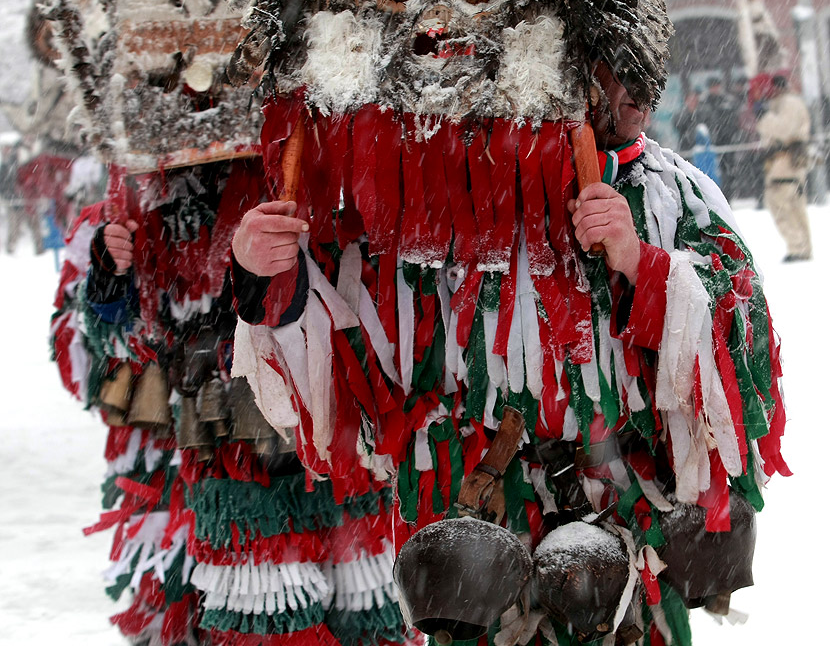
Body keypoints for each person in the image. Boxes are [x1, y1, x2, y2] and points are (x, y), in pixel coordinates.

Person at [229, 60, 789, 646]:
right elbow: (352, 349)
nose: (637, 92)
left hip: (627, 518)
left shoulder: (674, 194)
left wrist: (640, 264)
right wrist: (259, 273)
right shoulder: (430, 202)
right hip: (480, 519)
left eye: (643, 71)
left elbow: (749, 362)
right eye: (612, 71)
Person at [52, 159, 408, 646]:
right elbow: (110, 360)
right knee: (264, 622)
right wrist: (110, 286)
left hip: (334, 445)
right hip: (228, 462)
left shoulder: (324, 168)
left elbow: (370, 306)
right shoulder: (136, 203)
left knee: (371, 620)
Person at [755, 72, 813, 262]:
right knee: (795, 205)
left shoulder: (788, 103)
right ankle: (803, 247)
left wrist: (765, 117)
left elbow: (783, 131)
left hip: (785, 160)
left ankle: (798, 247)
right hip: (790, 159)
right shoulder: (789, 102)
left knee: (779, 202)